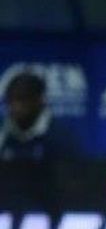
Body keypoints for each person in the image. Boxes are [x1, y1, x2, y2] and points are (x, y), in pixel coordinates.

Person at [0, 70, 75, 211]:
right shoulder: (3, 133)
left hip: (48, 208)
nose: (16, 107)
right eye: (11, 101)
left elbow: (70, 183)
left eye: (22, 100)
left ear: (39, 100)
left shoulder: (60, 137)